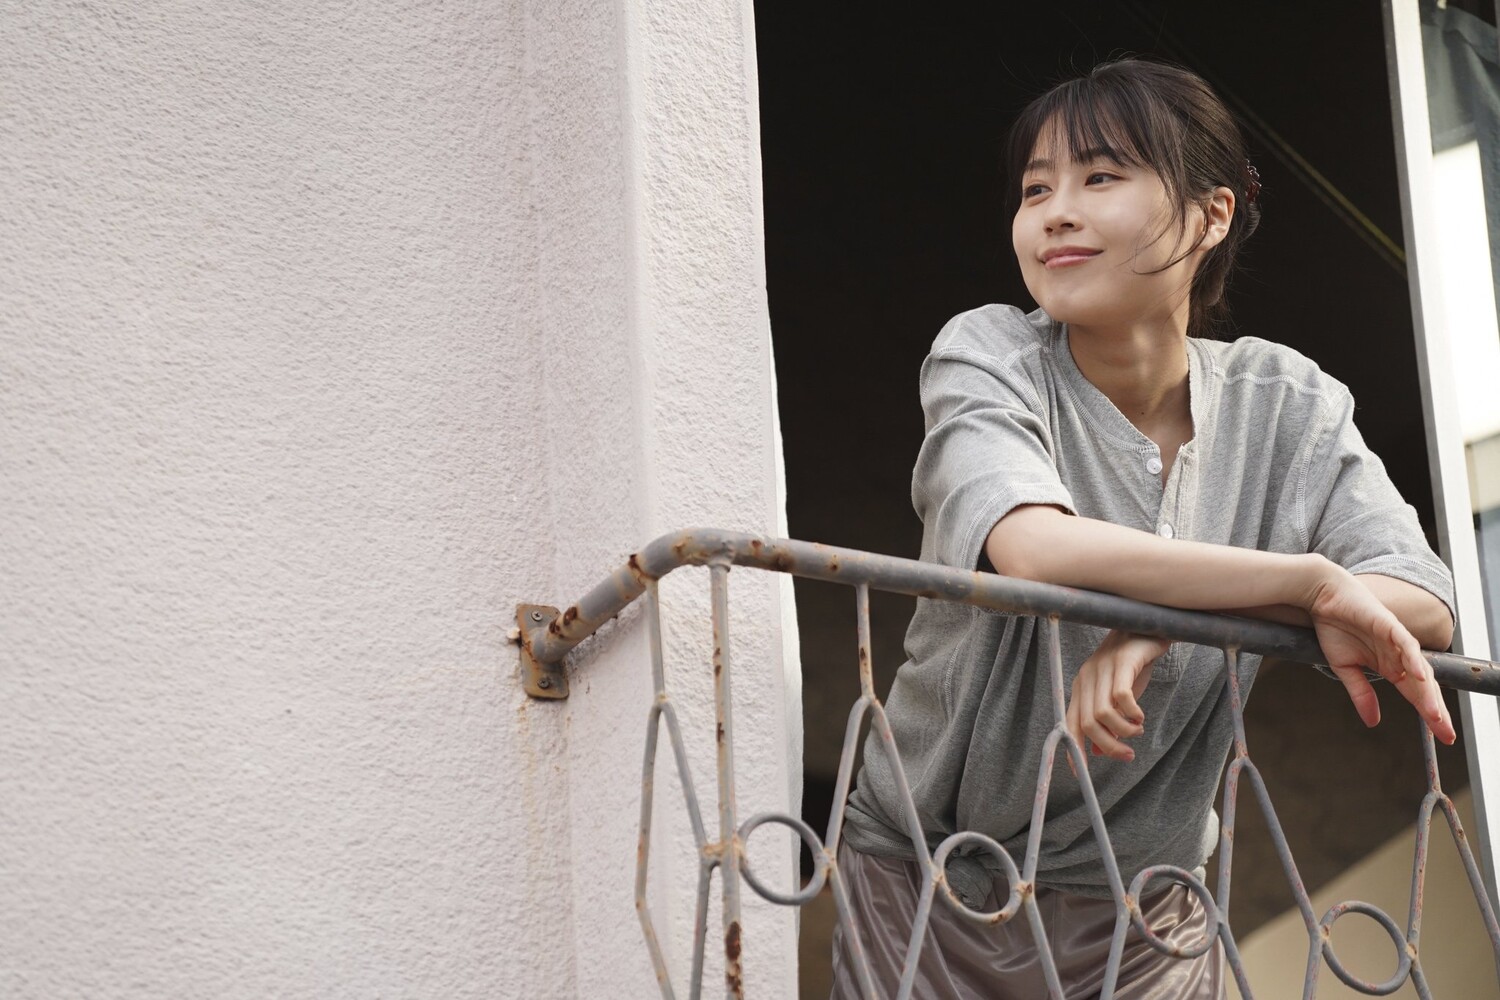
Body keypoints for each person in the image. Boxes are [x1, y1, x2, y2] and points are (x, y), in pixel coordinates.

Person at [830, 57, 1458, 1000]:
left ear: (1211, 216)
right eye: (1035, 189)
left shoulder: (1288, 402)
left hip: (1148, 916)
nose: (1056, 213)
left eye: (1100, 176)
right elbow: (1034, 548)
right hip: (922, 880)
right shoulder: (989, 353)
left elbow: (1424, 598)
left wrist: (1165, 624)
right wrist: (1306, 581)